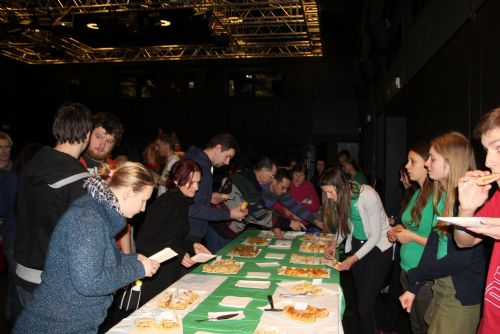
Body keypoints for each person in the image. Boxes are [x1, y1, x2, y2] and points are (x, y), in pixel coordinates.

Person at [12, 162, 159, 334]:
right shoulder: (88, 219)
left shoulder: (99, 213)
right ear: (127, 193)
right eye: (143, 201)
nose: (143, 209)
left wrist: (132, 259)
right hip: (56, 324)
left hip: (69, 322)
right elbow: (90, 283)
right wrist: (137, 269)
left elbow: (99, 261)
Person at [399, 132, 485, 334]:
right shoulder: (444, 196)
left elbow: (461, 259)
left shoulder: (469, 200)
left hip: (459, 291)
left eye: (432, 158)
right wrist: (414, 286)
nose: (427, 163)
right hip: (442, 286)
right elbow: (434, 242)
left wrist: (417, 273)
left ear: (450, 162)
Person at [14, 102, 93, 306]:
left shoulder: (30, 166)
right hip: (56, 282)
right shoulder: (78, 180)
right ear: (87, 134)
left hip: (23, 273)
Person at [322, 167, 392, 334]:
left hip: (378, 249)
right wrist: (334, 244)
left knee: (364, 305)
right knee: (363, 301)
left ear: (340, 186)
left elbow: (375, 236)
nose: (328, 197)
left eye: (330, 192)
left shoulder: (368, 195)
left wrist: (353, 259)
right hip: (358, 245)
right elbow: (343, 226)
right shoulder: (343, 198)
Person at [135, 159, 211, 304]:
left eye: (198, 182)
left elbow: (172, 238)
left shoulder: (181, 202)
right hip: (155, 277)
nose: (196, 187)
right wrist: (180, 254)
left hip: (169, 272)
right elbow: (144, 243)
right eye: (191, 182)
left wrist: (191, 245)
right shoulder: (165, 204)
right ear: (176, 181)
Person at [453, 107, 500, 334]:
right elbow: (463, 241)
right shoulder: (498, 199)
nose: (489, 161)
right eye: (486, 151)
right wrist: (467, 208)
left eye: (499, 148)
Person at [387, 142, 436, 334]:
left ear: (427, 163)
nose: (407, 166)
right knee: (415, 326)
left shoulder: (437, 196)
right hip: (408, 272)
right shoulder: (417, 193)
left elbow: (440, 242)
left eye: (412, 161)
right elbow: (412, 226)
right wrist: (399, 230)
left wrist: (411, 237)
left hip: (424, 276)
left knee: (425, 327)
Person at [184, 133, 246, 243]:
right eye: (228, 156)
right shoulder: (201, 168)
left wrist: (209, 196)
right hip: (189, 231)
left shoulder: (196, 161)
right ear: (218, 148)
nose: (227, 162)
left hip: (188, 228)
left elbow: (189, 198)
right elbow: (192, 208)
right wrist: (229, 214)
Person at [261, 168, 325, 239]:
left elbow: (297, 208)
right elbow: (260, 215)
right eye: (283, 187)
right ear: (274, 181)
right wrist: (288, 223)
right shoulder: (260, 191)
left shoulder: (281, 192)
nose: (285, 191)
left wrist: (317, 222)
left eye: (287, 188)